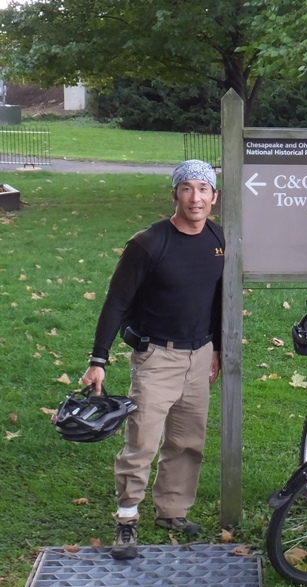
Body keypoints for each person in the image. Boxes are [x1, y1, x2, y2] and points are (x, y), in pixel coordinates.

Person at [81, 159, 225, 561]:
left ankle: (172, 511)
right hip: (156, 356)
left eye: (203, 189)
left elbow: (218, 300)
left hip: (199, 356)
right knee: (142, 441)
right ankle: (127, 519)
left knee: (187, 440)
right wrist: (99, 359)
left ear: (214, 197)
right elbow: (117, 301)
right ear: (174, 194)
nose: (195, 198)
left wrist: (216, 350)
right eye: (187, 189)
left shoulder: (219, 240)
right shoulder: (149, 243)